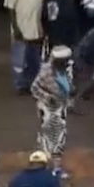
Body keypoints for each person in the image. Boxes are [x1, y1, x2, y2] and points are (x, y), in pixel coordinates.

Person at [4, 0, 47, 94]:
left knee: (34, 60)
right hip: (21, 29)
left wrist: (44, 25)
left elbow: (44, 2)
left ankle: (31, 84)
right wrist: (15, 28)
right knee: (19, 62)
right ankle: (19, 86)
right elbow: (10, 8)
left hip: (36, 28)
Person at [31, 45, 74, 176]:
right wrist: (48, 98)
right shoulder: (46, 71)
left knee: (59, 137)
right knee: (52, 138)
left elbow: (68, 85)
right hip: (48, 109)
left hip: (61, 107)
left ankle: (49, 166)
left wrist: (69, 97)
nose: (67, 63)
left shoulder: (67, 68)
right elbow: (34, 88)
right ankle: (52, 168)